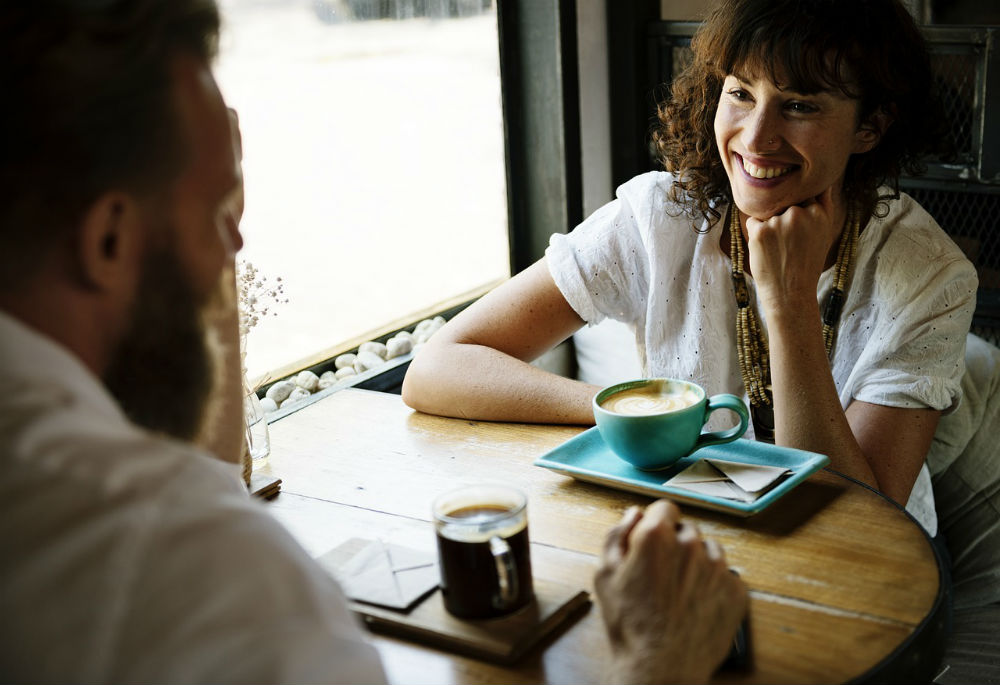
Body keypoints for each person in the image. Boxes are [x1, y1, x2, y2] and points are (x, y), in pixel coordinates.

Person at [0, 1, 746, 683]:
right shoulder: (210, 573)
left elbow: (197, 473)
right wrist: (656, 661)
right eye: (218, 216)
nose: (236, 250)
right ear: (107, 239)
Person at [402, 0, 978, 537]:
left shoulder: (932, 276)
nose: (756, 138)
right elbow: (436, 369)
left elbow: (857, 522)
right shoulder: (661, 216)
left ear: (869, 127)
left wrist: (789, 302)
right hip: (689, 535)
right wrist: (637, 417)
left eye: (800, 105)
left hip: (871, 571)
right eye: (742, 94)